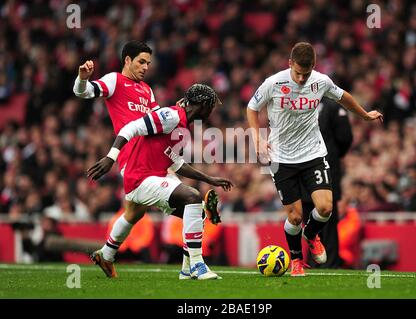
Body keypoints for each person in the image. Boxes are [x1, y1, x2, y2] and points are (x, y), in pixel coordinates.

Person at [73, 40, 216, 275]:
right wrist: (82, 78)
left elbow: (158, 122)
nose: (145, 67)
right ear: (127, 60)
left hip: (150, 157)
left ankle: (106, 255)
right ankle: (194, 265)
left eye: (148, 63)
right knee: (187, 201)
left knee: (135, 212)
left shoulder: (147, 90)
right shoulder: (114, 80)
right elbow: (84, 92)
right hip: (131, 154)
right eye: (141, 61)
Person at [247, 42, 383, 276]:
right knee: (296, 216)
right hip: (282, 158)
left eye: (306, 73)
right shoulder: (274, 83)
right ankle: (297, 260)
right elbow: (252, 107)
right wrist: (257, 137)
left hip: (313, 154)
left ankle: (310, 235)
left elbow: (343, 97)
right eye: (298, 73)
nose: (301, 79)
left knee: (325, 208)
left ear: (314, 67)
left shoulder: (321, 81)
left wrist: (365, 115)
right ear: (289, 64)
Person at [87, 84, 233, 280]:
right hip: (140, 178)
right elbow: (132, 127)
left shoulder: (184, 127)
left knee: (197, 211)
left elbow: (176, 163)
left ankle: (185, 269)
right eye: (211, 107)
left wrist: (209, 179)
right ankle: (198, 265)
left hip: (155, 175)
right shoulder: (171, 116)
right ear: (202, 105)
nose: (211, 113)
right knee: (193, 197)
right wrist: (111, 157)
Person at [301, 98, 353, 268]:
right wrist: (332, 155)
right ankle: (328, 261)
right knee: (326, 217)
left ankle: (316, 261)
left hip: (304, 166)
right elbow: (345, 137)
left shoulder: (299, 104)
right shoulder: (331, 106)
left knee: (312, 216)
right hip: (324, 166)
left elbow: (345, 137)